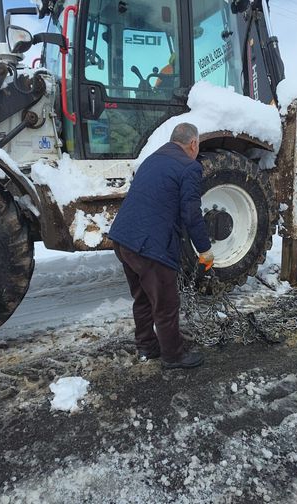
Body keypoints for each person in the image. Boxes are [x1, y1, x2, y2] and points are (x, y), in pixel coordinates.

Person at [108, 122, 213, 369]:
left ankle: (147, 346)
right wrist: (205, 249)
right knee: (166, 304)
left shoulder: (152, 159)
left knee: (143, 298)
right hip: (150, 246)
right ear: (193, 144)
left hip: (123, 239)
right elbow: (191, 214)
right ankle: (173, 356)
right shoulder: (189, 167)